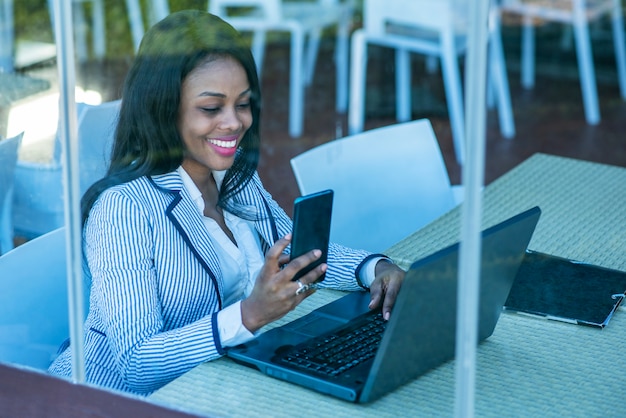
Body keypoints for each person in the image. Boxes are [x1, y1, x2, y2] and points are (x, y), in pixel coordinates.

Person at [48, 10, 405, 395]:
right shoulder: (124, 210)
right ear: (164, 109)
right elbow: (138, 364)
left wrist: (375, 269)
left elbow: (302, 255)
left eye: (243, 104)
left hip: (209, 386)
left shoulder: (235, 180)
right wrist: (250, 314)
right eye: (211, 108)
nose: (234, 123)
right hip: (108, 400)